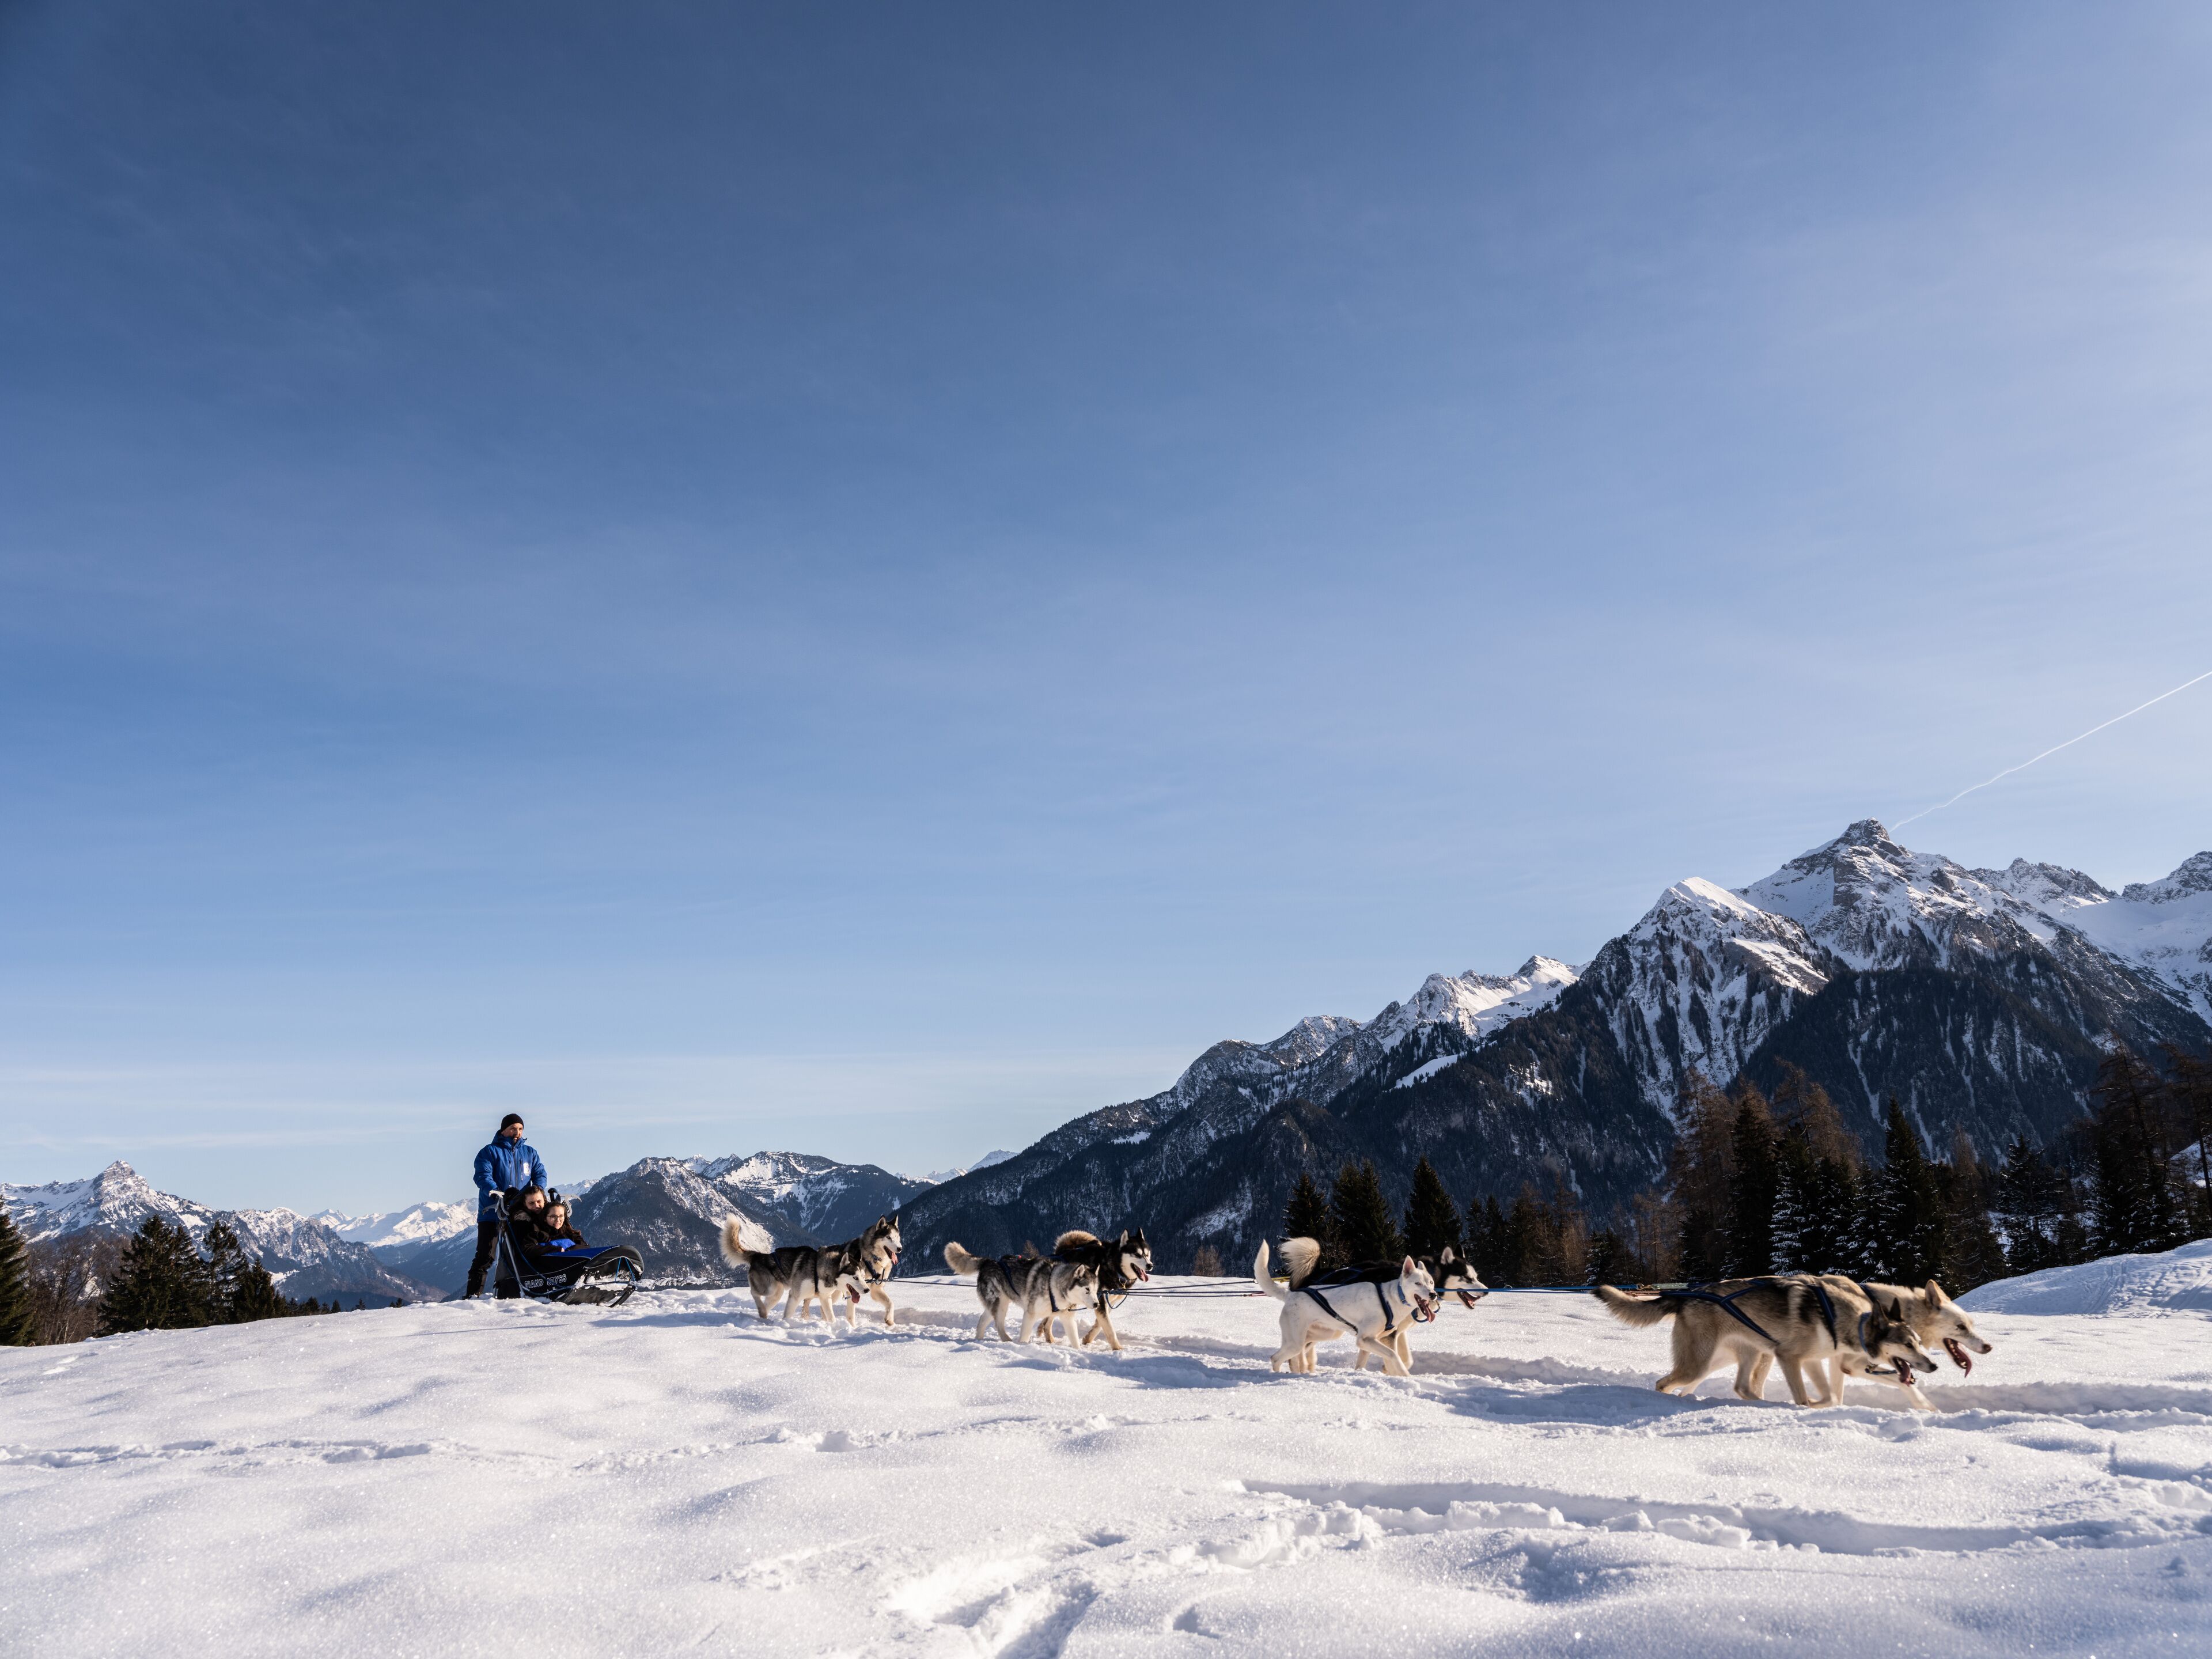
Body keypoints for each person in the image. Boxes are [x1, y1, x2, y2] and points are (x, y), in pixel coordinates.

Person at [463, 1113, 550, 1298]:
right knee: (486, 1256)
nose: (516, 1133)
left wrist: (539, 1191)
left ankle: (517, 1291)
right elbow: (482, 1176)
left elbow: (540, 1173)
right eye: (512, 1129)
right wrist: (496, 1192)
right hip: (493, 1212)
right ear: (503, 1131)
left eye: (520, 1129)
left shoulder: (530, 1153)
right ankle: (472, 1296)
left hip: (521, 1214)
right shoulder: (489, 1152)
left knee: (522, 1251)